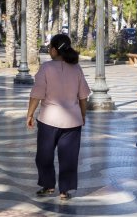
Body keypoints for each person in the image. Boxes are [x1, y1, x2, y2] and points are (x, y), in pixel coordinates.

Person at [26, 34, 90, 200]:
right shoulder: (77, 68)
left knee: (44, 155)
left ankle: (48, 186)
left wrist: (30, 114)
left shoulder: (46, 68)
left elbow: (37, 94)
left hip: (49, 120)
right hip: (72, 121)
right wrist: (82, 115)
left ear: (54, 50)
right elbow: (83, 96)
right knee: (69, 157)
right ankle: (64, 190)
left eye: (49, 48)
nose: (49, 50)